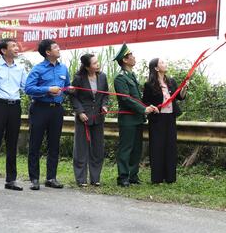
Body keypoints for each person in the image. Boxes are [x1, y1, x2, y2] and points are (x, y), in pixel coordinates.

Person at [0, 37, 27, 193]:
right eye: (13, 46)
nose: (16, 48)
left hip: (15, 106)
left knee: (12, 143)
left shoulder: (20, 68)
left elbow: (26, 87)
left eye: (16, 45)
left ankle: (11, 180)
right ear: (3, 50)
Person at [24, 39, 70, 190]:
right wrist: (48, 89)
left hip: (57, 110)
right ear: (48, 52)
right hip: (40, 109)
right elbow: (29, 88)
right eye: (55, 47)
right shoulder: (38, 69)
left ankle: (51, 178)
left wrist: (71, 89)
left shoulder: (63, 68)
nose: (59, 49)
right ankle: (34, 179)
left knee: (54, 144)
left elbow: (67, 87)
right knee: (35, 144)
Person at [113, 44, 158, 187]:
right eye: (131, 55)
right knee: (126, 148)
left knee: (136, 149)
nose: (133, 57)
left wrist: (147, 107)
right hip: (128, 119)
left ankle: (133, 175)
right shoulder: (120, 78)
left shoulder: (132, 75)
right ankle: (123, 177)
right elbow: (126, 99)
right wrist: (143, 110)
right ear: (125, 60)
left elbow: (137, 98)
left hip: (137, 118)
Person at [142, 58, 188, 184]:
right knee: (157, 147)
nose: (165, 64)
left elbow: (180, 97)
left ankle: (170, 178)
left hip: (170, 118)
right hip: (157, 119)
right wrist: (152, 107)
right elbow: (145, 102)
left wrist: (184, 88)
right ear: (156, 68)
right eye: (162, 63)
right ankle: (157, 178)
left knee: (170, 146)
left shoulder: (171, 81)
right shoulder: (149, 85)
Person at [69, 53, 109, 187]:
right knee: (81, 148)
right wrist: (80, 112)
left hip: (98, 117)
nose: (98, 64)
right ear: (87, 67)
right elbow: (73, 97)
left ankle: (95, 178)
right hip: (83, 117)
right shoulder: (79, 78)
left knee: (97, 148)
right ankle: (81, 179)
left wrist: (104, 105)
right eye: (94, 63)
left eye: (97, 62)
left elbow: (105, 95)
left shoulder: (102, 77)